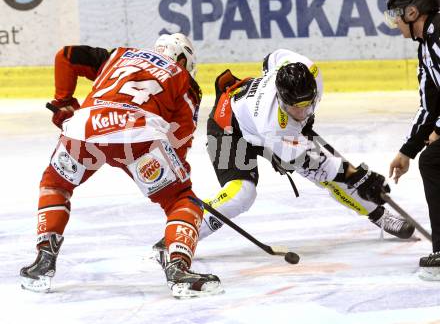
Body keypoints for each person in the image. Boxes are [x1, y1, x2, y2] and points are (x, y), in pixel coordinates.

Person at [20, 33, 223, 298]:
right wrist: (177, 179)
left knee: (55, 184)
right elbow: (180, 136)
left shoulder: (118, 55)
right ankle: (178, 268)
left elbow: (66, 56)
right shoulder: (184, 80)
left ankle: (44, 259)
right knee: (182, 201)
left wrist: (63, 101)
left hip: (86, 128)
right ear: (183, 60)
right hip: (140, 135)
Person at [198, 49, 417, 242]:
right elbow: (324, 167)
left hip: (258, 119)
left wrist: (356, 175)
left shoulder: (310, 71)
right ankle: (187, 230)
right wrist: (359, 176)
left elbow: (271, 58)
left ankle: (378, 214)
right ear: (282, 99)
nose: (302, 113)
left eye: (307, 104)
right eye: (295, 108)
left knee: (327, 173)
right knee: (242, 194)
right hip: (227, 128)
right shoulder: (273, 125)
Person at [386, 0, 440, 280]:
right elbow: (430, 106)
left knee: (434, 161)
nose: (395, 21)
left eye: (398, 12)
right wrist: (407, 150)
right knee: (432, 158)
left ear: (413, 12)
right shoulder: (426, 45)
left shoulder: (439, 34)